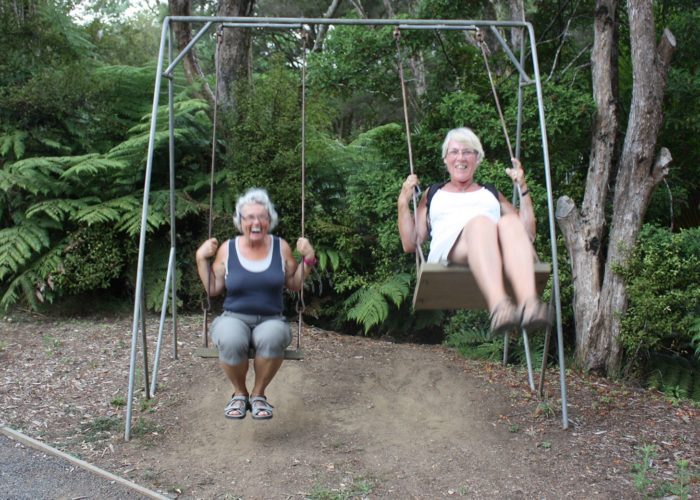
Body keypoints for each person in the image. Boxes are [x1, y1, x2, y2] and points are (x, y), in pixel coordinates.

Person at [397, 127, 550, 336]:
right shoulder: (433, 194)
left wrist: (523, 188)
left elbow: (528, 235)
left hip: (494, 250)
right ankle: (499, 306)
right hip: (452, 251)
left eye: (468, 152)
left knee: (510, 224)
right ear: (445, 159)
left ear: (477, 159)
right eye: (454, 152)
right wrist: (403, 202)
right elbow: (410, 243)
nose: (461, 157)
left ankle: (529, 304)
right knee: (480, 224)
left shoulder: (491, 193)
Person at [195, 188, 316, 420]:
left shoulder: (280, 247)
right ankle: (240, 394)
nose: (256, 222)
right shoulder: (227, 249)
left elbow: (294, 283)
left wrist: (308, 259)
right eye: (249, 217)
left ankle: (258, 394)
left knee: (272, 338)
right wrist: (201, 258)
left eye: (262, 217)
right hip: (234, 316)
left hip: (271, 318)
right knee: (230, 339)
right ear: (240, 222)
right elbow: (212, 289)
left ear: (269, 221)